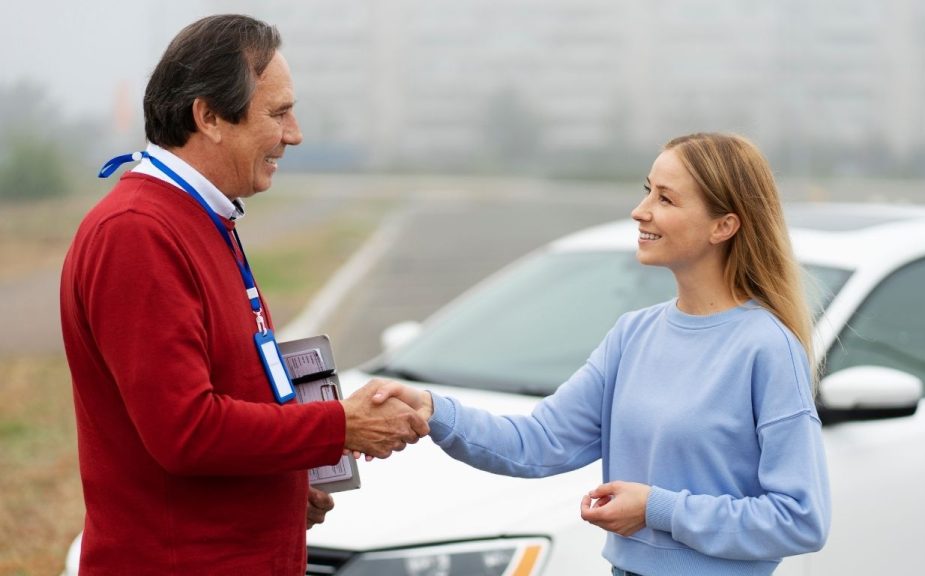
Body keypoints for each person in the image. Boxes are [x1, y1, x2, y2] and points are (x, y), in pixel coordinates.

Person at [60, 15, 427, 575]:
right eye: (277, 114)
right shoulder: (137, 232)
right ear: (208, 116)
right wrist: (338, 426)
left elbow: (229, 391)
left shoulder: (201, 216)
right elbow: (186, 432)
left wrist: (280, 484)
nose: (294, 134)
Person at [372, 133, 831, 575]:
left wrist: (655, 509)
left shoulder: (767, 348)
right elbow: (537, 442)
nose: (640, 211)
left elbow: (800, 518)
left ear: (723, 226)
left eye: (665, 199)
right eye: (648, 192)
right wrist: (434, 411)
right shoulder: (633, 334)